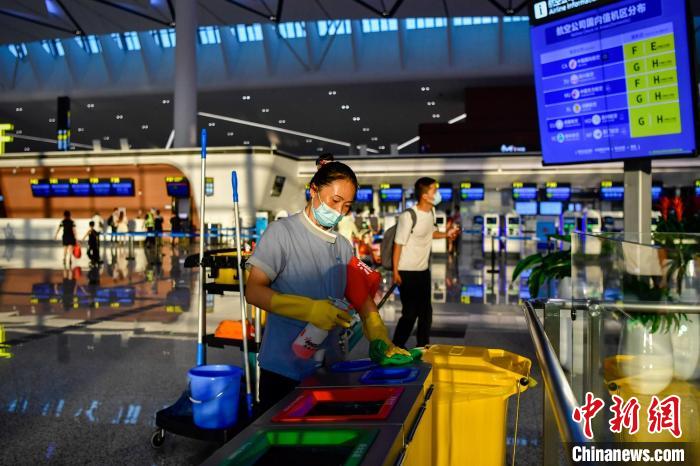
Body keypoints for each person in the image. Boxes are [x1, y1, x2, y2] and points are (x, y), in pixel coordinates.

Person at [245, 162, 409, 412]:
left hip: (329, 369)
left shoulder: (342, 246)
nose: (339, 211)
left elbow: (360, 297)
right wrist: (309, 310)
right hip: (283, 371)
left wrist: (377, 334)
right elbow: (254, 290)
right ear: (314, 190)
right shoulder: (282, 233)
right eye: (334, 201)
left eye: (346, 206)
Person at [391, 177, 460, 348]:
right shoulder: (408, 216)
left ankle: (423, 347)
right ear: (424, 196)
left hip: (422, 270)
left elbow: (431, 233)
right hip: (405, 270)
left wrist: (446, 234)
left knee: (426, 313)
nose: (437, 194)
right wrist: (395, 272)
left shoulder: (431, 212)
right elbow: (398, 244)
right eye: (434, 191)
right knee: (410, 313)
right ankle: (396, 346)